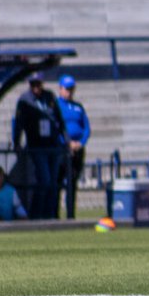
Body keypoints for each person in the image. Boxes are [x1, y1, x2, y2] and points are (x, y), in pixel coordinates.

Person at [12, 72, 67, 220]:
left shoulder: (49, 96)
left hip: (53, 145)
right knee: (44, 180)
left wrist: (66, 140)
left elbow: (59, 120)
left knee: (53, 183)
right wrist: (16, 142)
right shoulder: (25, 100)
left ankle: (51, 214)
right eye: (33, 84)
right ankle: (37, 214)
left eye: (38, 84)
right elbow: (19, 123)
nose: (36, 87)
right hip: (37, 145)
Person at [57, 75, 91, 219]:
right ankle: (54, 215)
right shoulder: (56, 105)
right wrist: (67, 143)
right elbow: (56, 128)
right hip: (62, 150)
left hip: (77, 150)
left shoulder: (78, 107)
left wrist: (80, 143)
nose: (69, 92)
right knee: (58, 182)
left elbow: (86, 128)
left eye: (71, 89)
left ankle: (71, 215)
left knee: (72, 183)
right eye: (66, 89)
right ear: (60, 89)